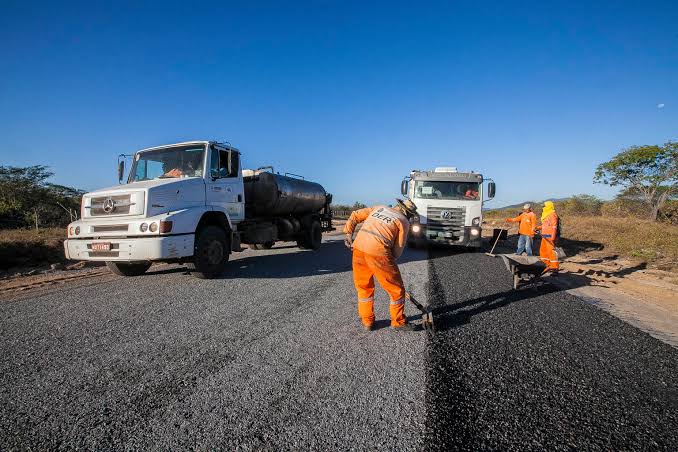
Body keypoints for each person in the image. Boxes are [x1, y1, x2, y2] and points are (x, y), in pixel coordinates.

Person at [343, 199, 418, 331]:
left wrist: (349, 234)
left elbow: (355, 215)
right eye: (410, 215)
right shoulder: (403, 221)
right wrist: (386, 266)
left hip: (358, 248)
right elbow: (397, 251)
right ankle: (398, 322)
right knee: (397, 290)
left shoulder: (379, 208)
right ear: (406, 212)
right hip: (378, 252)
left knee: (364, 287)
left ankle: (367, 322)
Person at [536, 201, 560, 273]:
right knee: (543, 251)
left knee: (551, 252)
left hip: (550, 237)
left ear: (549, 206)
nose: (543, 207)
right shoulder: (546, 215)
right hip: (544, 236)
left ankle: (554, 268)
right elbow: (545, 226)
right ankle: (546, 265)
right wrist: (537, 228)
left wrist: (553, 236)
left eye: (545, 206)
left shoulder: (553, 215)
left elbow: (554, 227)